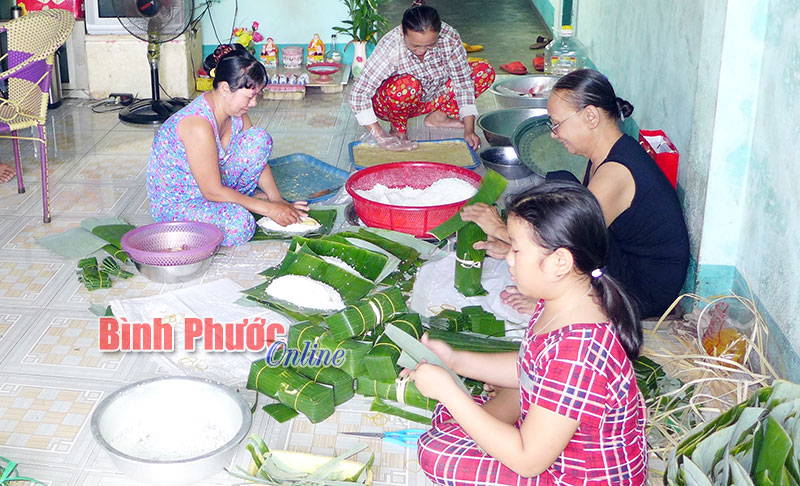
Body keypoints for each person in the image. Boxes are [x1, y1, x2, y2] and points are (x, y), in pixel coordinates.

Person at [407, 181, 647, 485]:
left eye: (517, 249)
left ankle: (506, 411)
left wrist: (449, 391)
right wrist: (455, 360)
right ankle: (507, 411)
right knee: (449, 419)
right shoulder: (564, 301)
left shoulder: (579, 351)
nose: (509, 257)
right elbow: (528, 366)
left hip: (571, 476)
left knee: (436, 451)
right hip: (551, 447)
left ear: (559, 262)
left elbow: (528, 461)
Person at [462, 69, 690, 318]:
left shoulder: (615, 175)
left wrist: (501, 231)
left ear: (591, 116)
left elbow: (570, 245)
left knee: (562, 235)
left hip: (642, 290)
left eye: (557, 123)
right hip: (628, 260)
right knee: (561, 182)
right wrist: (516, 246)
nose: (553, 133)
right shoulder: (611, 151)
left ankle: (575, 303)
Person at [147, 44, 307, 246]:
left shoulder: (236, 113)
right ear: (224, 88)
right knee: (240, 225)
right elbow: (211, 191)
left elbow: (259, 161)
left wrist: (276, 199)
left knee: (258, 139)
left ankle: (240, 202)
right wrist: (268, 209)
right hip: (183, 202)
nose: (254, 103)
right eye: (250, 96)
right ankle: (222, 213)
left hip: (214, 187)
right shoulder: (197, 125)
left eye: (257, 95)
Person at [349, 1, 495, 151]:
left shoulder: (449, 38)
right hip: (393, 102)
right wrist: (380, 135)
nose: (422, 51)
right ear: (402, 32)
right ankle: (398, 129)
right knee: (406, 85)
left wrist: (469, 131)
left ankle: (438, 117)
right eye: (415, 45)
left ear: (439, 33)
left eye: (430, 45)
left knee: (484, 70)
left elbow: (463, 83)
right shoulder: (390, 47)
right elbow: (359, 94)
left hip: (432, 96)